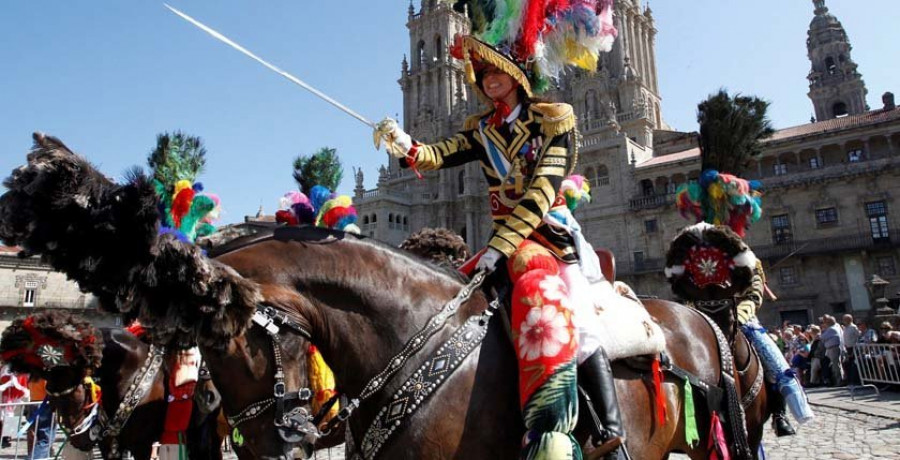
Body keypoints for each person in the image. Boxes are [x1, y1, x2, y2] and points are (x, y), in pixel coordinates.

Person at [375, 5, 622, 457]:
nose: (489, 80)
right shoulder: (482, 131)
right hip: (501, 246)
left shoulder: (554, 120)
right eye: (482, 71)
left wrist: (500, 247)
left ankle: (607, 429)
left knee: (578, 326)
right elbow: (438, 154)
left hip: (551, 239)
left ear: (519, 72)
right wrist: (404, 144)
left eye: (498, 71)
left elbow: (541, 193)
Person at [25, 376, 56, 460]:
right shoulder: (44, 377)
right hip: (44, 406)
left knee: (40, 437)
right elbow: (49, 391)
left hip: (34, 404)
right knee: (46, 439)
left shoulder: (32, 377)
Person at [820, 315, 845, 386]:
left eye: (825, 322)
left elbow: (822, 337)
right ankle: (837, 380)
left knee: (836, 365)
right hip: (831, 349)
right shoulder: (832, 328)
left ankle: (839, 381)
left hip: (833, 349)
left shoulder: (831, 329)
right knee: (834, 365)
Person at [842, 315, 860, 385]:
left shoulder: (853, 327)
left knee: (853, 364)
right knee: (846, 364)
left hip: (853, 348)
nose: (843, 321)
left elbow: (857, 337)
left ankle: (855, 380)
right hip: (847, 348)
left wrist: (854, 349)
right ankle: (849, 379)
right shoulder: (846, 328)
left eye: (844, 319)